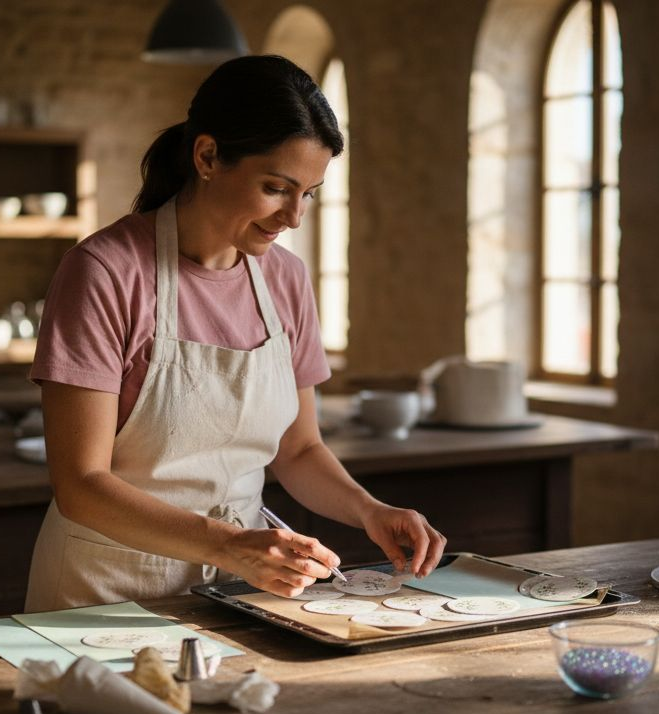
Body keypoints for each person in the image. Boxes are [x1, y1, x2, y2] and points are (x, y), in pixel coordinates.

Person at [24, 55, 447, 612]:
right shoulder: (104, 271)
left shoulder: (286, 280)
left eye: (310, 193)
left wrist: (368, 510)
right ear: (207, 157)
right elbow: (81, 484)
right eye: (276, 187)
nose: (294, 216)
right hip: (105, 590)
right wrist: (232, 545)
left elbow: (298, 449)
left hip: (238, 589)